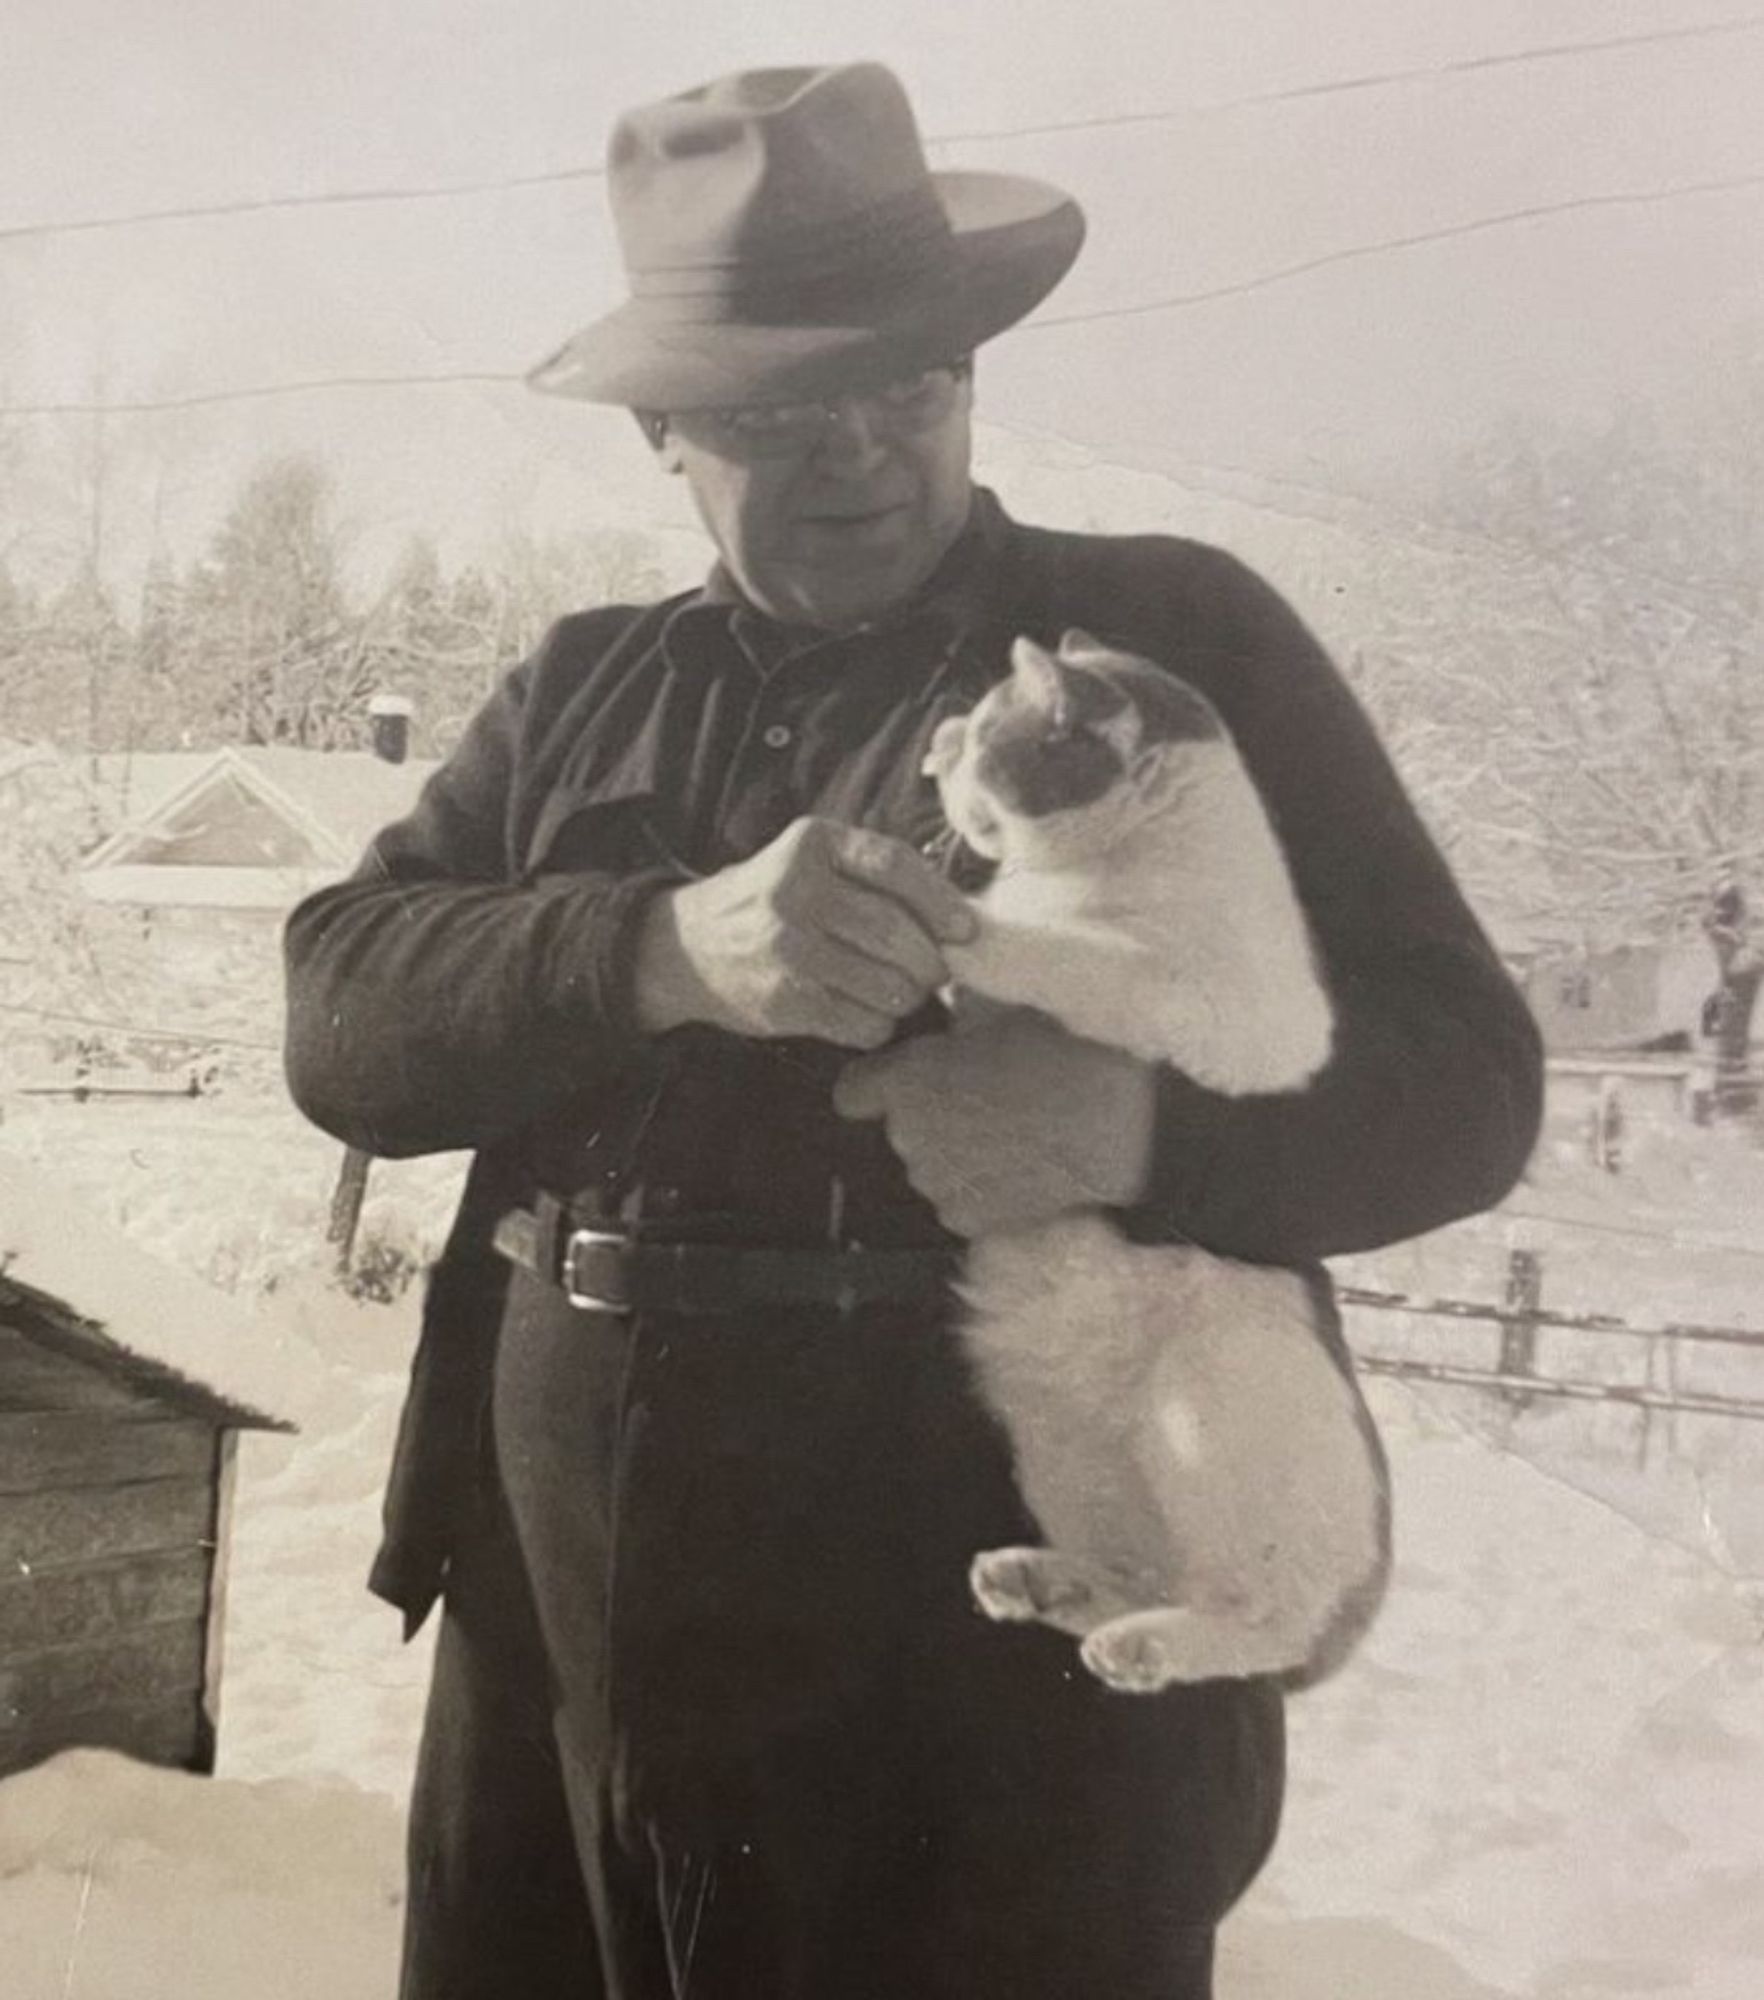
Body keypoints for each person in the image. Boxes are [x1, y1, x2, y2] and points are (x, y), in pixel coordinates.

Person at [283, 60, 1543, 2000]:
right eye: (785, 410)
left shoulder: (1160, 653)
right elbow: (339, 1013)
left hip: (971, 1657)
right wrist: (655, 949)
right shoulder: (580, 686)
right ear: (663, 430)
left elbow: (1467, 1082)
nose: (865, 449)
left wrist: (1133, 1136)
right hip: (559, 1628)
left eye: (913, 385)